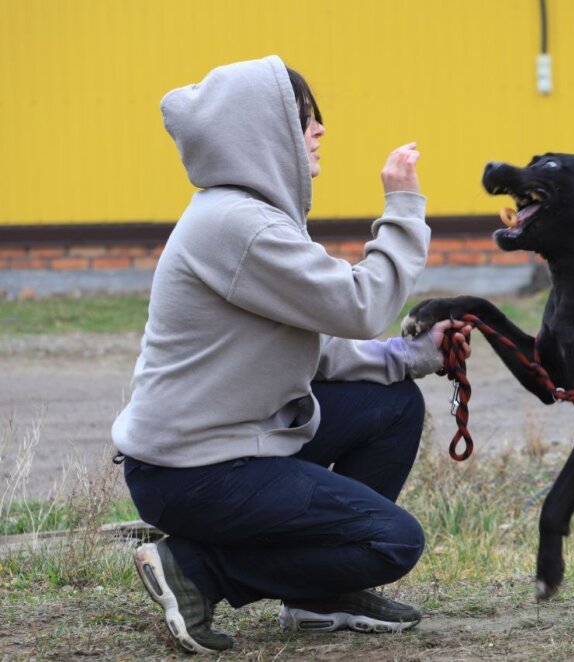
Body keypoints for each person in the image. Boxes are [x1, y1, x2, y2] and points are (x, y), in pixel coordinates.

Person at [112, 55, 470, 654]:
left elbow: (326, 347)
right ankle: (200, 571)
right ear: (262, 134)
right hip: (195, 473)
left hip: (222, 454)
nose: (320, 130)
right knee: (393, 542)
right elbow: (360, 305)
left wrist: (417, 356)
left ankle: (321, 593)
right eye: (306, 118)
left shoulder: (251, 221)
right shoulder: (241, 228)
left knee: (393, 405)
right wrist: (403, 207)